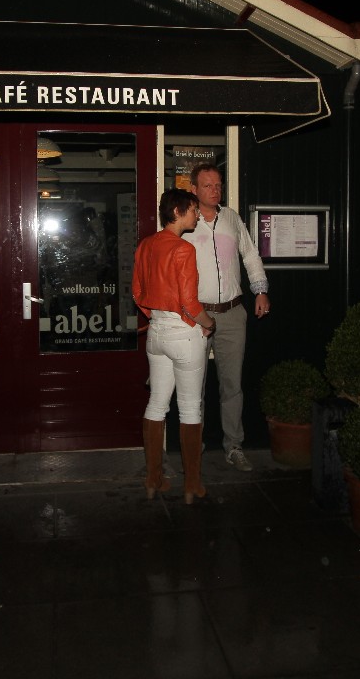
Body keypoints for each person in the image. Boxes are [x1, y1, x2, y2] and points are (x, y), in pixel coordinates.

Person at [183, 163, 271, 472]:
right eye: (208, 185)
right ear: (193, 189)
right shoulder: (185, 222)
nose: (215, 190)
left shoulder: (232, 218)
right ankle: (194, 448)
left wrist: (260, 290)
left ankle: (234, 446)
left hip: (232, 313)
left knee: (232, 385)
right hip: (196, 315)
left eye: (218, 185)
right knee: (194, 385)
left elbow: (250, 254)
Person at [133, 189, 216, 505]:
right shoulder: (184, 249)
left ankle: (152, 479)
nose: (197, 214)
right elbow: (190, 303)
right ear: (178, 211)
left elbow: (137, 292)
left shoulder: (145, 245)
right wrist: (209, 323)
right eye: (193, 209)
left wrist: (156, 316)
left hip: (156, 333)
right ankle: (191, 485)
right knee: (191, 407)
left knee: (156, 404)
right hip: (184, 335)